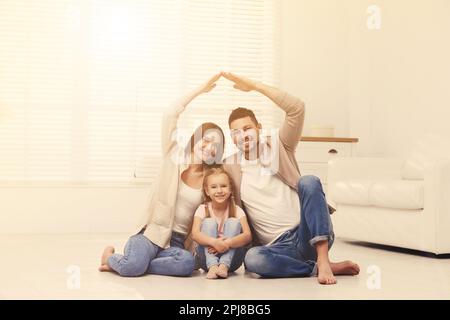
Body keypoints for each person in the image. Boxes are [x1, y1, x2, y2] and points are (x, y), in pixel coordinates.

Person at [222, 72, 360, 284]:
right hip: (277, 247)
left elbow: (297, 108)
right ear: (231, 138)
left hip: (308, 232)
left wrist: (255, 86)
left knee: (309, 181)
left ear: (258, 128)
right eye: (236, 132)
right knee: (253, 260)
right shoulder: (229, 165)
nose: (243, 135)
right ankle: (315, 268)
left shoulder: (279, 144)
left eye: (247, 128)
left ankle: (323, 261)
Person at [98, 73, 225, 277]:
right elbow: (169, 114)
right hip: (151, 233)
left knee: (187, 265)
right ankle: (111, 258)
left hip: (177, 242)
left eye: (216, 146)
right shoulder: (173, 156)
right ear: (196, 138)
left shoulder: (211, 181)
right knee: (132, 269)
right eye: (207, 140)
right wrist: (201, 89)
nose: (210, 148)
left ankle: (136, 262)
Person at [191, 167, 252, 279]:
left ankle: (223, 265)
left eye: (223, 186)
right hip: (206, 260)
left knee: (233, 222)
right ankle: (213, 266)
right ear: (207, 191)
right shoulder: (202, 208)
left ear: (230, 189)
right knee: (209, 222)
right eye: (214, 187)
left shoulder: (237, 209)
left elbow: (248, 236)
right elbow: (195, 234)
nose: (219, 191)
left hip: (231, 262)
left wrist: (227, 243)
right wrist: (214, 242)